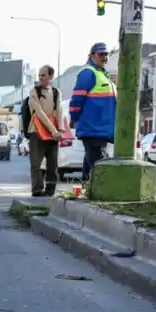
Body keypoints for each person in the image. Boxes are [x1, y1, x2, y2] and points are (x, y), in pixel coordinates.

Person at [69, 42, 116, 182]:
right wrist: (74, 118)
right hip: (93, 127)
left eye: (106, 54)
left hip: (101, 128)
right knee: (99, 163)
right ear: (92, 56)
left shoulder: (103, 75)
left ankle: (86, 187)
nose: (104, 57)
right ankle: (102, 191)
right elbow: (77, 99)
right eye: (101, 54)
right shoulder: (88, 73)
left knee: (90, 161)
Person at [27, 65, 63, 197]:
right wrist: (54, 130)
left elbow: (59, 111)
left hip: (53, 133)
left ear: (51, 76)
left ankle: (50, 190)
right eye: (39, 75)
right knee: (36, 164)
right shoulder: (34, 92)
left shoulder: (56, 92)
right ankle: (37, 190)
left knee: (53, 164)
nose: (40, 78)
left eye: (43, 75)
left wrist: (60, 130)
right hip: (36, 131)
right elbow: (40, 113)